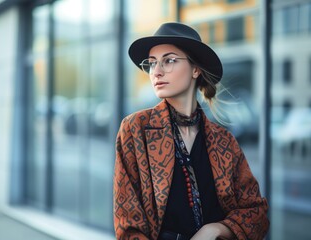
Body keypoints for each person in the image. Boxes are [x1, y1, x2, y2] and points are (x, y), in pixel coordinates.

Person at [113, 22, 269, 240]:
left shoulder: (223, 141)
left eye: (169, 60)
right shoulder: (135, 129)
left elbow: (256, 213)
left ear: (195, 69)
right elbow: (128, 224)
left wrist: (215, 229)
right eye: (151, 63)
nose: (156, 71)